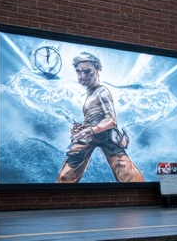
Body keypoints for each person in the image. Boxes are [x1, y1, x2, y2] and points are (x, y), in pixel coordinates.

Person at [57, 52, 144, 183]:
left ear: (98, 70)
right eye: (78, 72)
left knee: (127, 174)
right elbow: (95, 117)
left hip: (107, 136)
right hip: (90, 137)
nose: (82, 76)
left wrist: (89, 130)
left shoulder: (102, 91)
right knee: (66, 176)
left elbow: (111, 120)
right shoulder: (90, 94)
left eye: (87, 72)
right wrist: (81, 127)